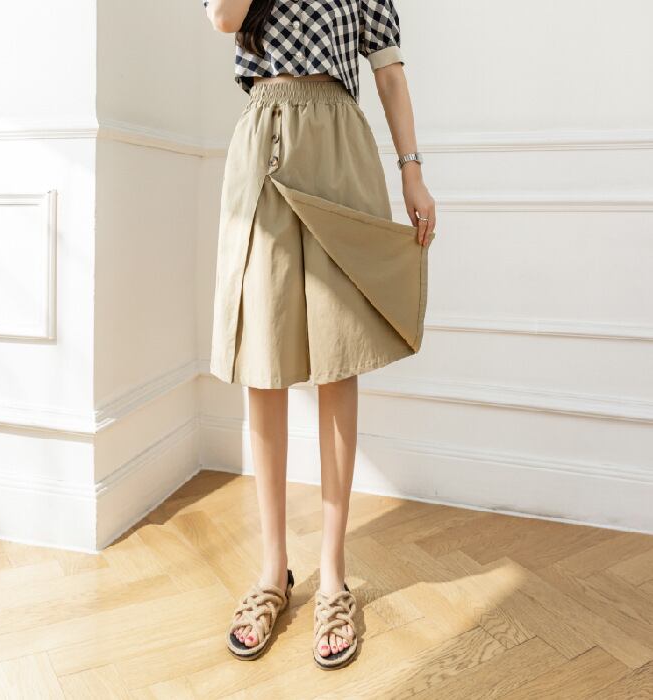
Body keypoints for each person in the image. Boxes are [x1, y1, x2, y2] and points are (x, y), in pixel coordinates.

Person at [203, 0, 436, 669]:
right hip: (265, 141)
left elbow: (388, 71)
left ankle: (333, 577)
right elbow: (223, 18)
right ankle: (272, 571)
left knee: (338, 357)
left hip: (339, 143)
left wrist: (412, 171)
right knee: (264, 361)